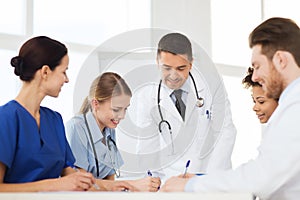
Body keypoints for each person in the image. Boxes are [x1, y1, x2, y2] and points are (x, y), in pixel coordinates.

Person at [160, 17, 300, 200]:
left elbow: (262, 177)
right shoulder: (291, 105)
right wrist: (205, 180)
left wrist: (192, 185)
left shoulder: (295, 108)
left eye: (258, 66)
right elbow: (266, 170)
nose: (255, 76)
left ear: (281, 60)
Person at [128, 32, 237, 181]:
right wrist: (151, 182)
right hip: (170, 180)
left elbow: (225, 131)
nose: (173, 76)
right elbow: (148, 147)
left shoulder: (211, 85)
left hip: (209, 175)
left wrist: (211, 177)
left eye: (180, 68)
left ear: (191, 64)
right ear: (157, 62)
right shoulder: (147, 96)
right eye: (166, 68)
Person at [0, 36, 98, 192]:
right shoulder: (5, 118)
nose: (66, 79)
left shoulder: (54, 120)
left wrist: (121, 188)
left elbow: (73, 178)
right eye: (64, 71)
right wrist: (55, 184)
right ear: (45, 71)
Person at [66, 72, 161, 192]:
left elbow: (110, 181)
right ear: (96, 104)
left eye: (125, 109)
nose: (122, 116)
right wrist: (131, 185)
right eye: (116, 109)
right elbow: (81, 185)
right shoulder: (76, 128)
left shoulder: (109, 130)